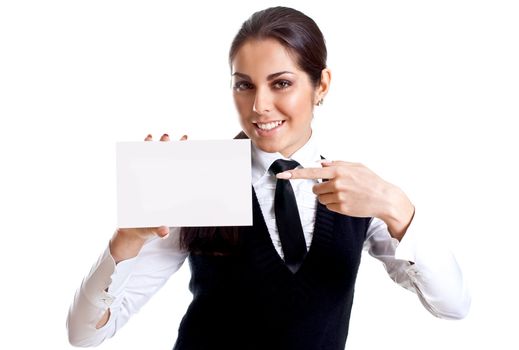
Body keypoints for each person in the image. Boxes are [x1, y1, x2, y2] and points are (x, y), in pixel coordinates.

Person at [67, 6, 470, 349]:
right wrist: (127, 240)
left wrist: (397, 207)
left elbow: (453, 306)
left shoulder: (356, 191)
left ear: (321, 85)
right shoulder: (199, 179)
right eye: (244, 85)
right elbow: (84, 335)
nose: (259, 106)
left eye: (281, 84)